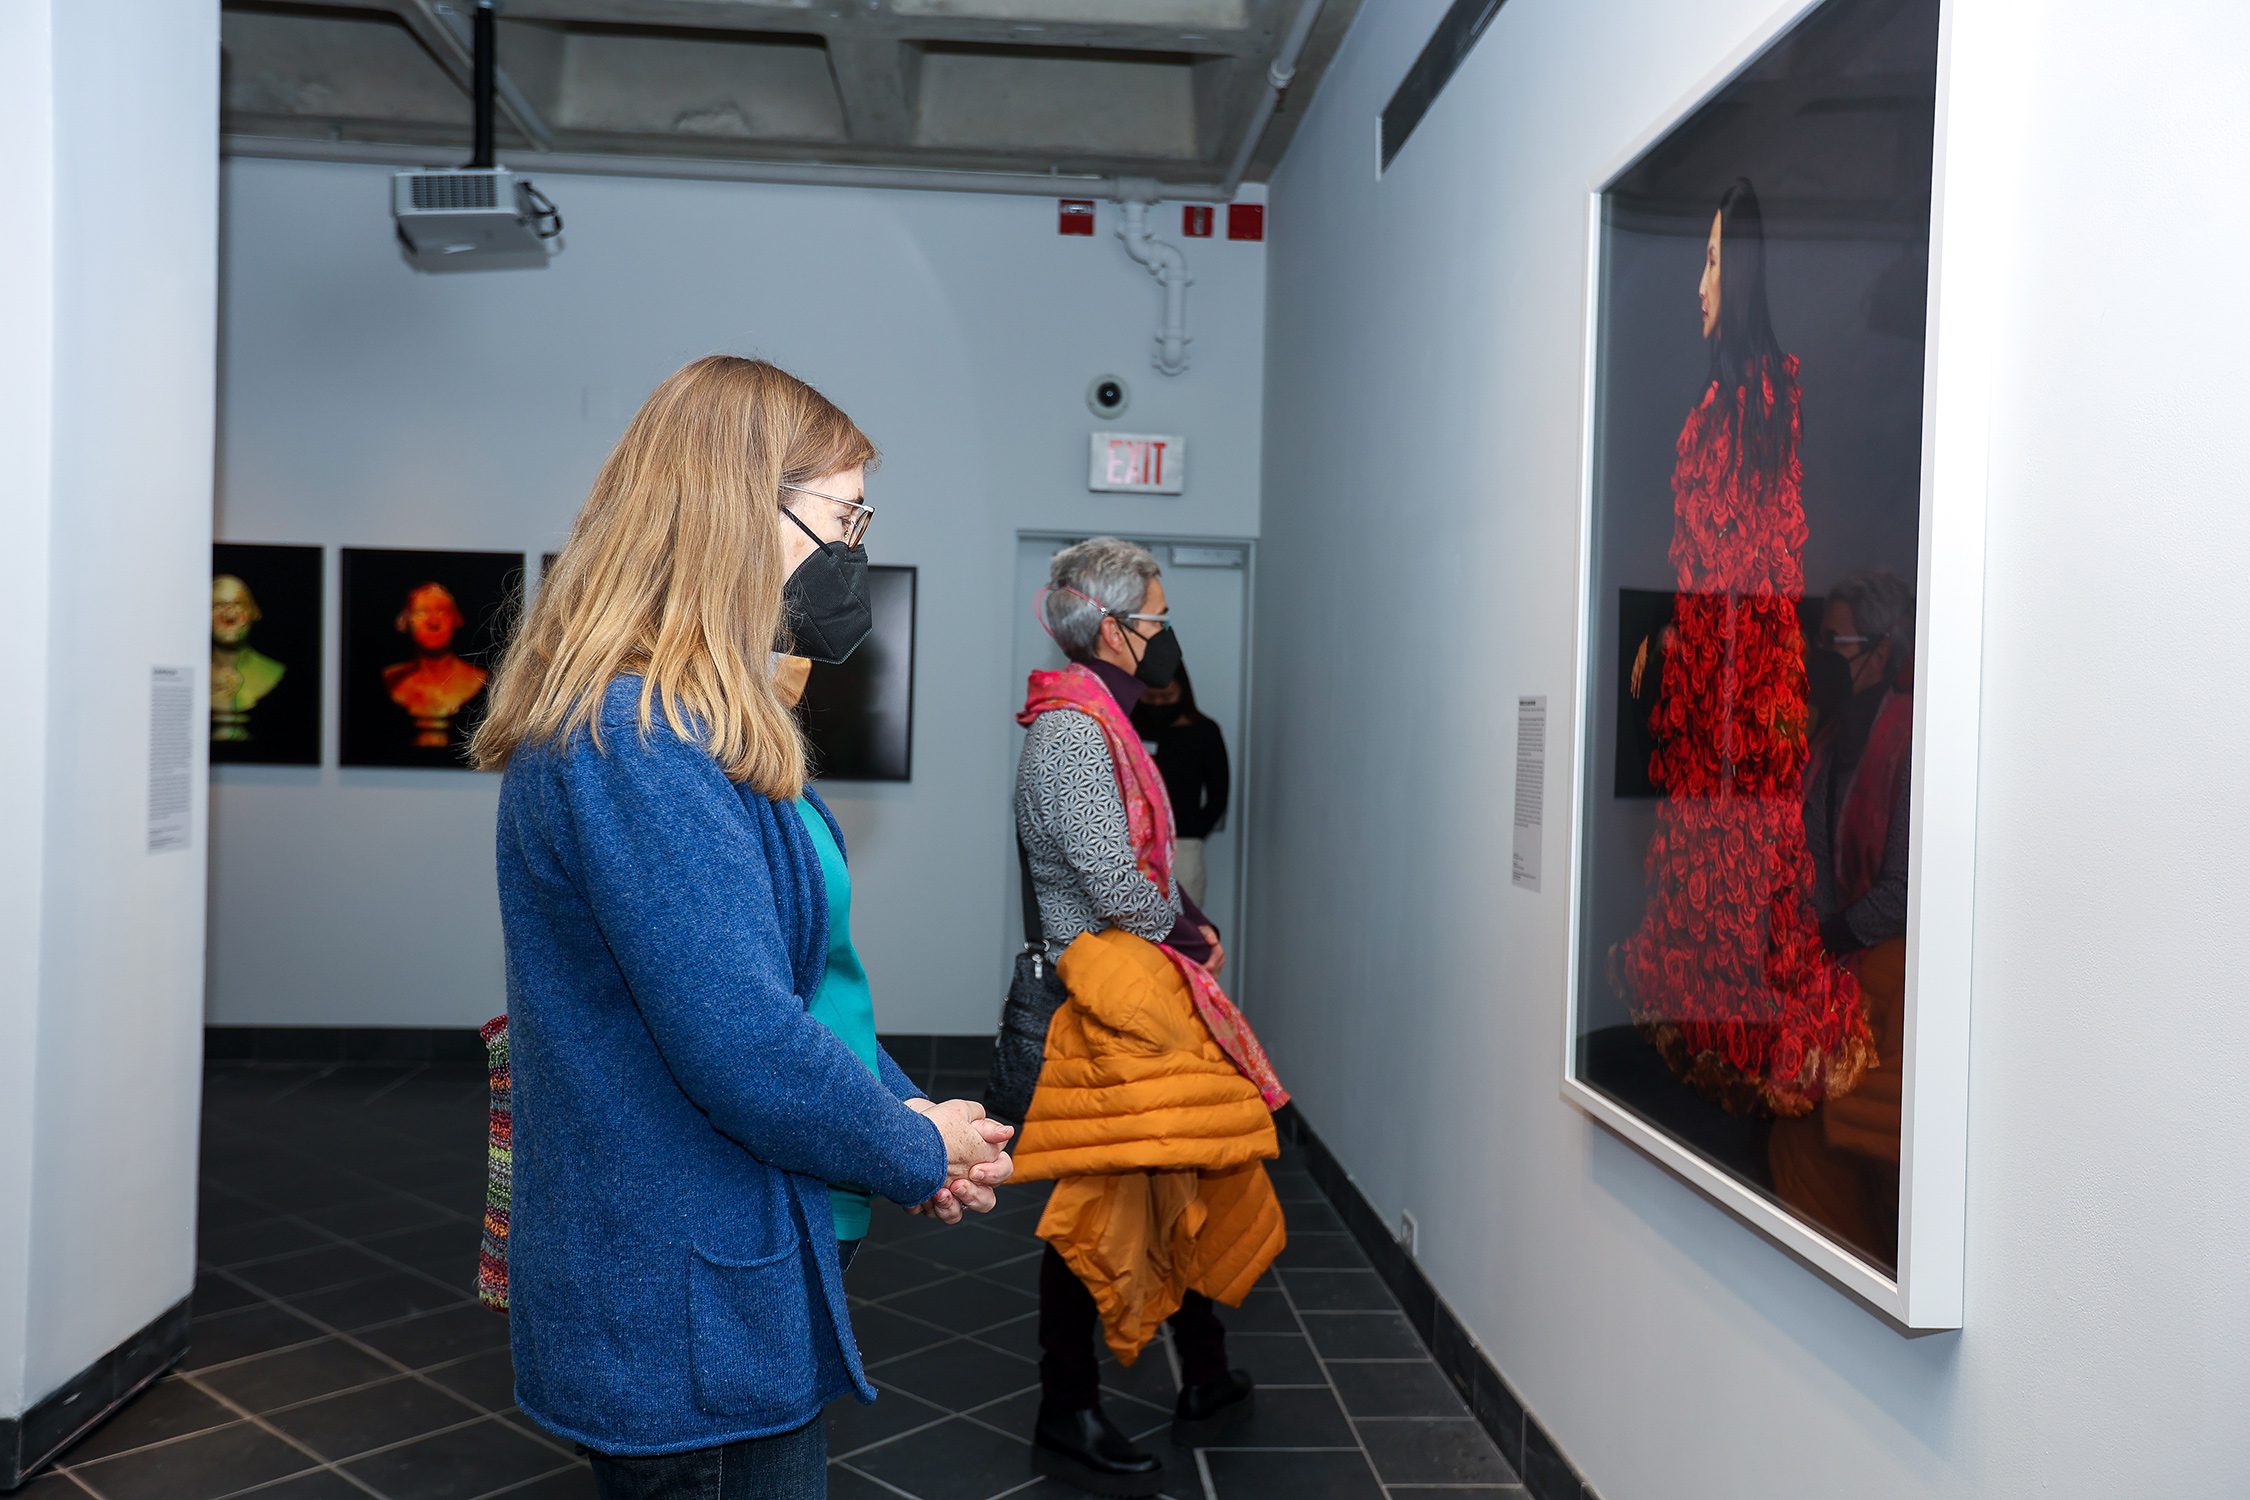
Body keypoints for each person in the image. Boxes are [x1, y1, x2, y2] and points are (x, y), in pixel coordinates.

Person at [470, 355, 1014, 1500]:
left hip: (727, 1268)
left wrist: (904, 1114)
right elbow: (740, 1040)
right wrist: (915, 1146)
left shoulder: (698, 723)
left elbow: (803, 986)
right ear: (736, 504)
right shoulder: (638, 736)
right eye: (842, 514)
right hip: (681, 1299)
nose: (855, 547)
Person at [1013, 537, 1286, 1495]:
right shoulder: (1076, 734)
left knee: (1180, 1166)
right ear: (1114, 628)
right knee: (1099, 1201)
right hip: (1101, 1002)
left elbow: (1142, 875)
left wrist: (1187, 922)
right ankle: (1067, 1404)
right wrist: (1184, 923)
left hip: (1132, 990)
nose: (1167, 636)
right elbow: (1113, 884)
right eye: (1157, 620)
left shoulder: (1101, 721)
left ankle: (1202, 1376)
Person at [1613, 177, 1871, 1119]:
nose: (1699, 283)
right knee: (1703, 877)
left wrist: (1721, 663)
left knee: (1745, 882)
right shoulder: (1724, 401)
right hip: (1709, 673)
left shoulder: (1767, 396)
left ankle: (1758, 1048)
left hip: (1742, 679)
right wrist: (1678, 636)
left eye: (1714, 261)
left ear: (1746, 270)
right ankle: (1721, 1050)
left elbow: (1755, 564)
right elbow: (1707, 563)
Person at [1769, 569, 1916, 1263]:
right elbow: (1813, 860)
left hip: (1895, 981)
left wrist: (1829, 936)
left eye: (1835, 642)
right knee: (1796, 1138)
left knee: (1854, 1137)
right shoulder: (1830, 744)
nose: (1819, 655)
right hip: (1841, 971)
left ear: (1881, 652)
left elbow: (1906, 888)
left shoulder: (1914, 742)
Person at [1130, 663, 1229, 908]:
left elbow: (1219, 795)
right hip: (1131, 846)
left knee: (1184, 926)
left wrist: (1193, 831)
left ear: (1182, 692)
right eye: (1150, 697)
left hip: (1183, 845)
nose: (1158, 704)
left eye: (1167, 697)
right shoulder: (1127, 727)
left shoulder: (1203, 731)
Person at [383, 581, 489, 747]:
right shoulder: (393, 679)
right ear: (405, 621)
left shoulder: (479, 680)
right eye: (422, 612)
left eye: (442, 611)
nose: (433, 622)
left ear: (456, 618)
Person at [210, 574, 287, 743]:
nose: (229, 615)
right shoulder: (197, 677)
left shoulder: (272, 672)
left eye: (238, 604)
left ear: (253, 612)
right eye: (218, 606)